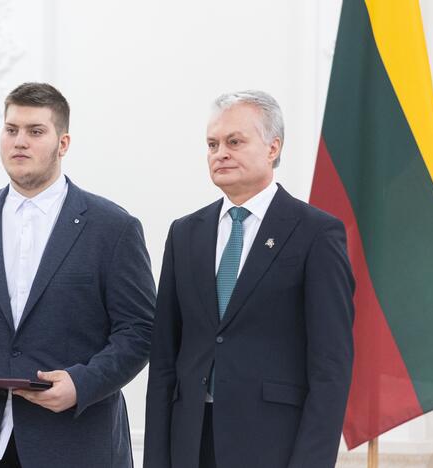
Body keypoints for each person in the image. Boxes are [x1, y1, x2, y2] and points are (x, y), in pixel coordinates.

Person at [0, 82, 156, 468]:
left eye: (35, 131)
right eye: (11, 130)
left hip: (74, 444)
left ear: (63, 143)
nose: (19, 142)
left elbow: (140, 330)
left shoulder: (113, 227)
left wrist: (82, 384)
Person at [143, 90, 355, 468]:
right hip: (190, 443)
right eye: (212, 144)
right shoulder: (185, 233)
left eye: (234, 141)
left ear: (273, 147)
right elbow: (164, 360)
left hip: (273, 446)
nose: (219, 152)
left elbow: (331, 368)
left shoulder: (316, 233)